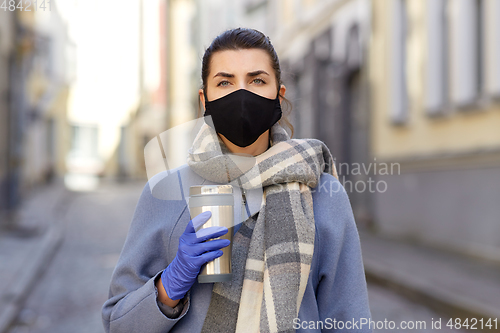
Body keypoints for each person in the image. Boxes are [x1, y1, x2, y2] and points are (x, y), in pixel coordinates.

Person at [102, 27, 372, 333]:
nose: (241, 95)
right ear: (205, 101)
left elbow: (350, 321)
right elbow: (119, 324)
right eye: (224, 82)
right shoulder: (164, 193)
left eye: (257, 80)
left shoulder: (322, 193)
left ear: (278, 97)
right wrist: (170, 284)